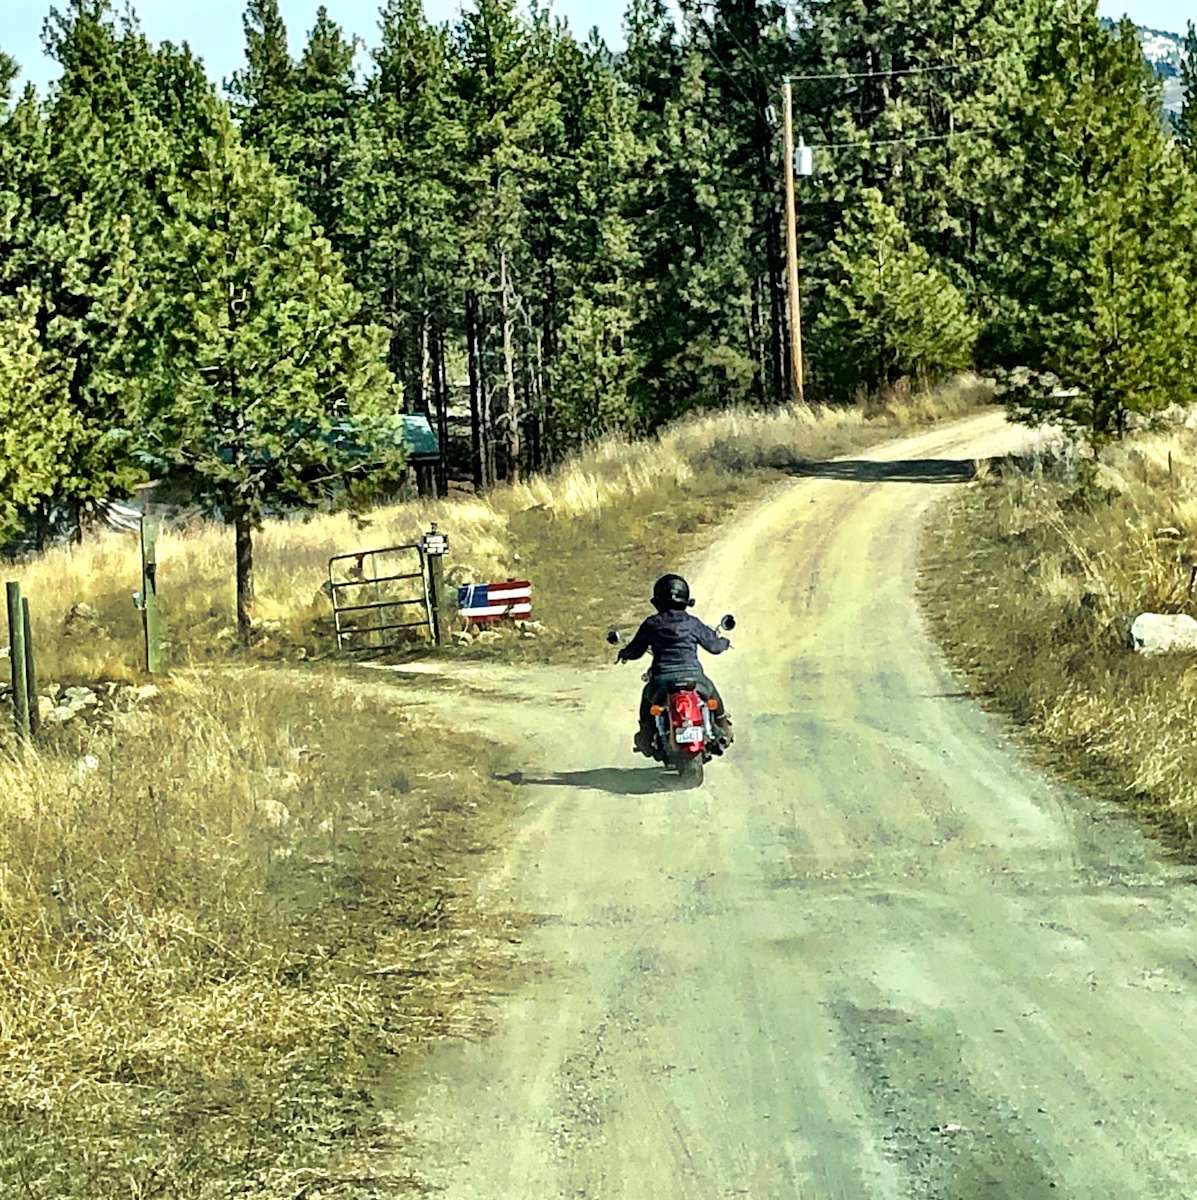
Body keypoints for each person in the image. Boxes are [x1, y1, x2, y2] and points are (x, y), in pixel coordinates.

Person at [616, 573, 733, 756]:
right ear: (686, 599)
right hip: (694, 678)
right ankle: (723, 728)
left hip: (662, 680)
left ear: (657, 600)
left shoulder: (652, 624)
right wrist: (724, 642)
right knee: (713, 696)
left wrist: (624, 653)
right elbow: (713, 646)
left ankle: (646, 737)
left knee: (646, 703)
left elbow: (636, 650)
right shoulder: (692, 623)